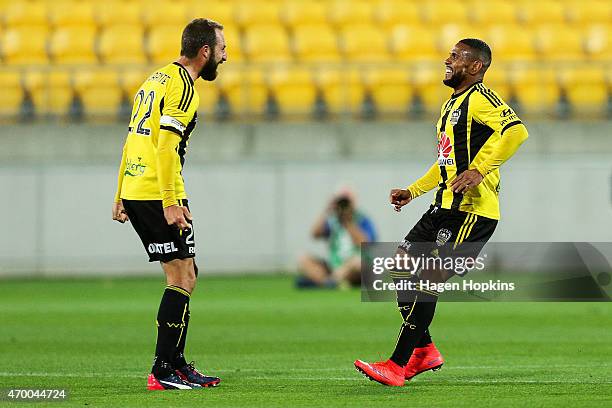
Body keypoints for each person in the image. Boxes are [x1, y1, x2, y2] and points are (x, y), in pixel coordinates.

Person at [354, 39, 529, 386]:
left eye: (456, 56)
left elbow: (516, 131)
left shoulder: (481, 98)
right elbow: (445, 163)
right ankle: (425, 351)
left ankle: (397, 364)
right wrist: (413, 191)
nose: (447, 60)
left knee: (427, 280)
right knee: (401, 267)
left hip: (471, 212)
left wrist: (479, 170)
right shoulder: (451, 106)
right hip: (442, 207)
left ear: (476, 66)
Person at [111, 18, 227, 390]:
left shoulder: (154, 79)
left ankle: (175, 366)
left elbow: (132, 139)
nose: (225, 57)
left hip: (139, 185)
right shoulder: (183, 86)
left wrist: (119, 193)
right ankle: (163, 370)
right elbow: (164, 144)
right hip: (156, 191)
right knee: (181, 276)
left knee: (187, 273)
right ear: (205, 52)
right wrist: (170, 202)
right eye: (222, 50)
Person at [297, 191, 376, 289]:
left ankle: (325, 282)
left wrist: (347, 222)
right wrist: (327, 210)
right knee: (303, 259)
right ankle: (332, 282)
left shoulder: (362, 219)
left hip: (353, 266)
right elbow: (314, 234)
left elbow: (365, 243)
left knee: (358, 262)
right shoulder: (332, 220)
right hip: (334, 264)